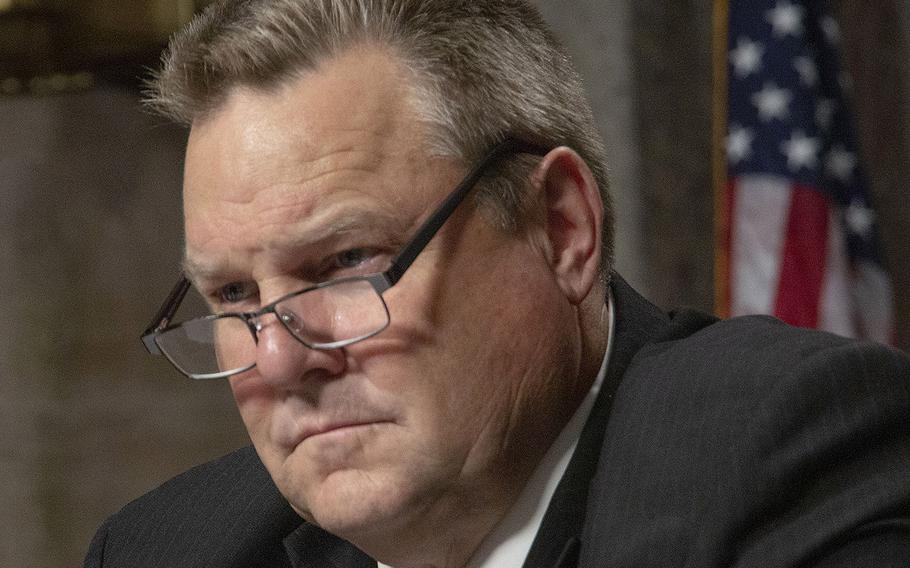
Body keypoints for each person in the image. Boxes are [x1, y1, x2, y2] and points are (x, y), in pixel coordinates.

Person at [85, 1, 910, 566]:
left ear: (561, 229)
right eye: (233, 297)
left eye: (344, 261)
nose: (276, 363)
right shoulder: (167, 549)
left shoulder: (793, 458)